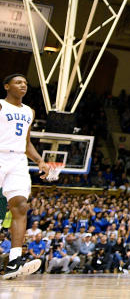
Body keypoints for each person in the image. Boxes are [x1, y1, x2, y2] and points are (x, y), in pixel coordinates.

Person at [1, 74, 50, 279]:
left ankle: (14, 261)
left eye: (25, 83)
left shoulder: (29, 111)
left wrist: (39, 160)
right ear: (7, 86)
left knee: (21, 205)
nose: (23, 86)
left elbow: (26, 142)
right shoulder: (1, 106)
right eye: (18, 82)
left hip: (19, 160)